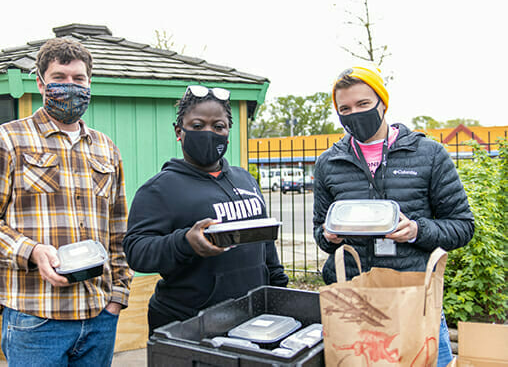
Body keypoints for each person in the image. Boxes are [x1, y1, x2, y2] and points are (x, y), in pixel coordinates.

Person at [0, 38, 132, 366]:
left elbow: (118, 229)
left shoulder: (106, 148)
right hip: (35, 318)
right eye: (59, 78)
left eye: (78, 79)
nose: (70, 86)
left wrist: (118, 299)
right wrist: (32, 251)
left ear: (89, 82)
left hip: (99, 316)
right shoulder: (5, 140)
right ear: (40, 83)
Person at [313, 64, 474, 367]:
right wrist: (328, 235)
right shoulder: (328, 163)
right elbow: (320, 234)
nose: (354, 114)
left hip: (413, 299)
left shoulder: (428, 154)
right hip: (352, 301)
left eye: (363, 104)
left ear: (382, 103)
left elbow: (462, 226)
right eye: (344, 108)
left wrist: (416, 230)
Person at [122, 85, 288, 334]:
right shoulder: (159, 189)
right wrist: (184, 242)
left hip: (251, 316)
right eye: (198, 126)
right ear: (179, 131)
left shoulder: (246, 180)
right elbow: (136, 251)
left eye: (218, 126)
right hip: (188, 323)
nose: (209, 133)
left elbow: (265, 246)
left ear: (228, 133)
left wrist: (280, 291)